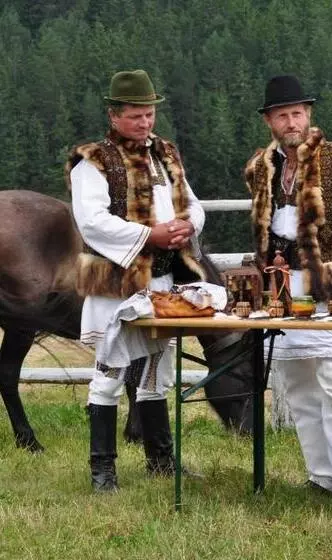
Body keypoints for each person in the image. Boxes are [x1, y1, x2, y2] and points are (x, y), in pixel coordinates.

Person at [67, 69, 206, 492]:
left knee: (155, 374)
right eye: (135, 116)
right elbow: (92, 221)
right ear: (114, 116)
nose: (144, 123)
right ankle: (102, 469)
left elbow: (192, 203)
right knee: (109, 372)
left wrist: (187, 226)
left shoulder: (166, 153)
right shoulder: (92, 160)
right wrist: (150, 234)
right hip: (115, 280)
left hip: (162, 281)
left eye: (148, 114)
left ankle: (160, 459)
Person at [244, 75, 332, 507]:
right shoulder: (260, 168)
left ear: (309, 114)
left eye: (298, 112)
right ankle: (320, 474)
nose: (291, 121)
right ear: (269, 121)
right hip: (281, 290)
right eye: (282, 114)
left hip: (331, 287)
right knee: (297, 384)